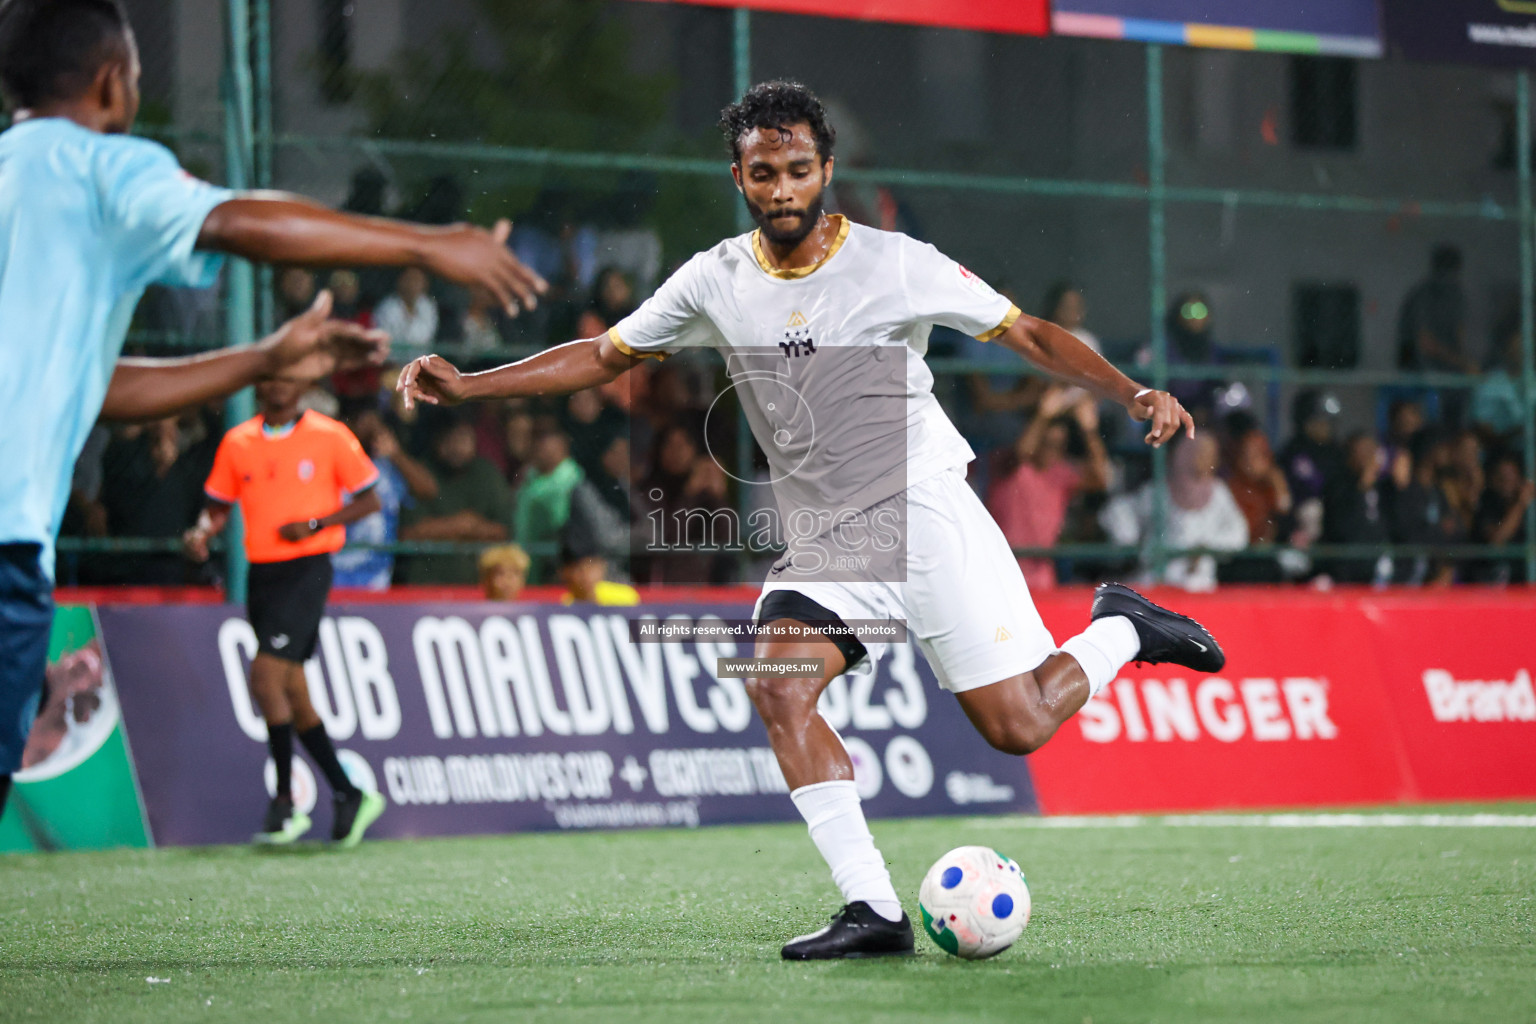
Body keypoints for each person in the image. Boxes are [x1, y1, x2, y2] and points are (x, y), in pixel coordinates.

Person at [397, 80, 1224, 960]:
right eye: (763, 173)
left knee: (1017, 725)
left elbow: (1026, 335)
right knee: (777, 680)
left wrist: (1131, 390)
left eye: (798, 170)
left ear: (826, 169)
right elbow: (603, 357)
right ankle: (872, 908)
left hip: (924, 509)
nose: (782, 188)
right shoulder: (714, 277)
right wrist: (473, 384)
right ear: (739, 176)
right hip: (829, 537)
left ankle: (1121, 630)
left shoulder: (896, 260)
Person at [0, 0, 546, 817]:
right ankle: (325, 792)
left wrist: (261, 359)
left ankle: (311, 796)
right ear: (114, 84)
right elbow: (235, 220)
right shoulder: (97, 166)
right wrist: (426, 243)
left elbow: (93, 389)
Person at [181, 375, 386, 844]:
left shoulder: (330, 435)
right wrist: (201, 533)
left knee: (265, 677)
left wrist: (317, 523)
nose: (277, 388)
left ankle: (284, 802)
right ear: (258, 388)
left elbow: (369, 498)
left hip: (308, 568)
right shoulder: (238, 443)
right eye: (270, 380)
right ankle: (345, 790)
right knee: (293, 691)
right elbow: (216, 506)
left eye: (287, 380)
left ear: (301, 387)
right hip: (263, 573)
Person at [986, 386, 1109, 592]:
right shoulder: (1011, 465)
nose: (1051, 451)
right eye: (1046, 443)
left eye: (1058, 445)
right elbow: (1022, 452)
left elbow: (1101, 477)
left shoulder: (1060, 473)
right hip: (1001, 571)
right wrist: (1043, 415)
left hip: (1042, 578)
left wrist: (1089, 431)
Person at [1100, 433, 1250, 591]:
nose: (1205, 459)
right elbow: (1120, 515)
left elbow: (1239, 533)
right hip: (1156, 583)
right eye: (1198, 452)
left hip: (1199, 585)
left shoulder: (1219, 493)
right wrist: (1137, 544)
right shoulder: (1158, 491)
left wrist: (1205, 548)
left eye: (1209, 454)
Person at [397, 416, 514, 584]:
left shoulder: (487, 473)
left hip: (475, 585)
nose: (457, 446)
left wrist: (457, 528)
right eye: (450, 438)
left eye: (463, 438)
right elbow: (407, 534)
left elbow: (504, 531)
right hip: (425, 585)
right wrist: (461, 525)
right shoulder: (421, 473)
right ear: (438, 441)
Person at [331, 409, 439, 591]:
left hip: (377, 579)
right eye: (359, 421)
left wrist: (395, 453)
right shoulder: (331, 462)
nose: (366, 427)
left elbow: (429, 490)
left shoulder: (387, 467)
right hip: (333, 575)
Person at [373, 266, 440, 355]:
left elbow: (425, 338)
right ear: (400, 281)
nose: (413, 284)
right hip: (392, 364)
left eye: (417, 280)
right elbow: (388, 343)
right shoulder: (387, 307)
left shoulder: (428, 306)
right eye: (409, 279)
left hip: (421, 363)